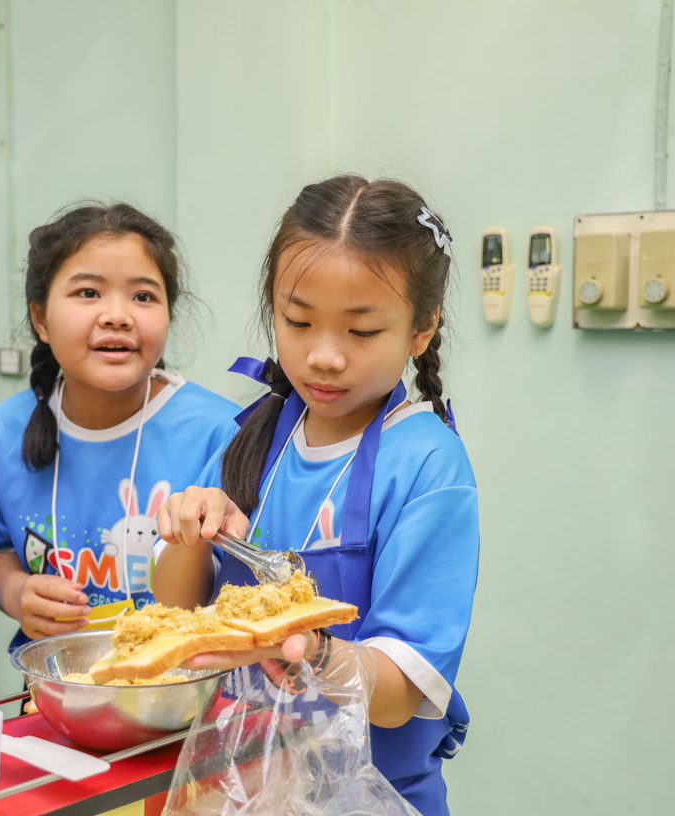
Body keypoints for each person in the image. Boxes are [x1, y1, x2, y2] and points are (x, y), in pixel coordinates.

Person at [154, 176, 479, 816]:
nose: (323, 356)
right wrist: (190, 533)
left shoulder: (426, 465)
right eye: (298, 322)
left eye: (362, 331)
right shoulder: (254, 435)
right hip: (239, 790)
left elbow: (398, 695)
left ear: (422, 329)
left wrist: (299, 644)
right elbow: (177, 613)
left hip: (368, 797)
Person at [0, 203, 240, 656]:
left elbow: (219, 594)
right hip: (54, 685)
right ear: (40, 319)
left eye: (143, 297)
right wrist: (17, 593)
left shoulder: (222, 432)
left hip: (182, 687)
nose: (117, 315)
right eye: (88, 293)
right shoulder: (4, 431)